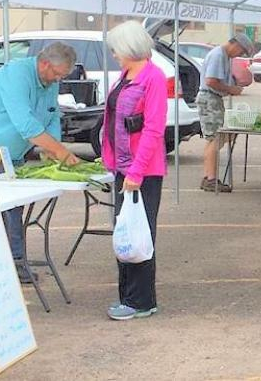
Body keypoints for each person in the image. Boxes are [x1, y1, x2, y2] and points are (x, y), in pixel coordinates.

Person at [0, 41, 80, 282]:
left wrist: (52, 147)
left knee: (13, 206)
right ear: (44, 63)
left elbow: (52, 117)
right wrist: (60, 152)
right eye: (56, 74)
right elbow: (26, 125)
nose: (57, 80)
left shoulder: (50, 81)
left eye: (62, 76)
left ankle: (15, 262)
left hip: (11, 152)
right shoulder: (16, 75)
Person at [101, 22, 168, 321]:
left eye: (116, 48)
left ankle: (139, 301)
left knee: (138, 234)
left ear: (129, 48)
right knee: (125, 232)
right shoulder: (127, 74)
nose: (113, 54)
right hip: (123, 168)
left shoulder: (153, 77)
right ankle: (130, 297)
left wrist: (136, 171)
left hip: (141, 171)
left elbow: (154, 128)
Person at [197, 34, 255, 192]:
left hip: (212, 98)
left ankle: (209, 176)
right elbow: (211, 81)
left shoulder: (222, 55)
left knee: (213, 138)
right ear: (235, 45)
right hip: (210, 98)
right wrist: (231, 89)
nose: (239, 55)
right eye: (241, 52)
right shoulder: (218, 55)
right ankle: (211, 179)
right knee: (214, 138)